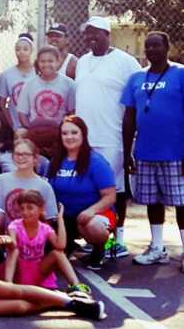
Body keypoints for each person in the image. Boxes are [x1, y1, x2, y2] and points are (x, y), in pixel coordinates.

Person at [74, 16, 141, 257]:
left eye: (96, 33)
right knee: (94, 189)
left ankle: (118, 240)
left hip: (112, 137)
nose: (91, 37)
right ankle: (97, 235)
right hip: (85, 140)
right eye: (87, 33)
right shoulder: (82, 61)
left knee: (116, 189)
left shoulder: (125, 62)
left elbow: (137, 93)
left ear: (107, 34)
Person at [122, 31, 184, 270]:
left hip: (175, 152)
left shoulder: (180, 74)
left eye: (156, 46)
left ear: (167, 47)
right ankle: (157, 247)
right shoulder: (136, 78)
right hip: (146, 152)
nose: (151, 50)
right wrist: (127, 152)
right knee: (152, 201)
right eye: (148, 47)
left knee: (181, 203)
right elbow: (129, 117)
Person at [47, 116, 118, 270]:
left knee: (92, 226)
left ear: (83, 135)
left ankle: (99, 249)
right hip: (65, 217)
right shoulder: (55, 161)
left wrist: (91, 210)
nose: (69, 137)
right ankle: (69, 244)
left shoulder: (96, 161)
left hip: (93, 215)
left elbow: (110, 196)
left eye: (74, 132)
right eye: (64, 133)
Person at [3, 190, 86, 293]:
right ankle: (8, 285)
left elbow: (60, 245)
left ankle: (76, 286)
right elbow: (13, 244)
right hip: (19, 270)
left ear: (41, 209)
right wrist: (8, 241)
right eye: (22, 208)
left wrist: (60, 219)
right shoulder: (14, 225)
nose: (25, 212)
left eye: (30, 208)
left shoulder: (45, 228)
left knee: (58, 253)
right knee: (14, 250)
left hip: (38, 269)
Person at [0, 139, 58, 223]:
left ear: (35, 158)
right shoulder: (1, 180)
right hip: (5, 234)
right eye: (17, 154)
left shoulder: (44, 185)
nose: (21, 157)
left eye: (26, 154)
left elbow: (48, 220)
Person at [18, 45, 76, 129]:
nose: (46, 64)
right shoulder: (29, 84)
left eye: (50, 61)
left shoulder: (69, 84)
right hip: (36, 131)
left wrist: (64, 131)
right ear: (38, 62)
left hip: (59, 132)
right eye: (43, 61)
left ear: (58, 62)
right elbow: (22, 113)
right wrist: (30, 130)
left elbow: (72, 113)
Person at [0, 34, 36, 129]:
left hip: (35, 125)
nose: (21, 52)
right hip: (16, 126)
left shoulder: (38, 72)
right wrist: (12, 124)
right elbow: (1, 103)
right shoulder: (6, 75)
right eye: (18, 49)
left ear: (31, 51)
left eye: (25, 49)